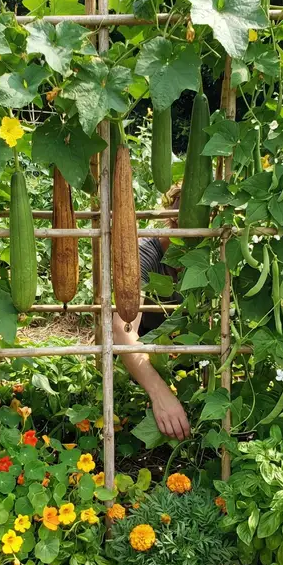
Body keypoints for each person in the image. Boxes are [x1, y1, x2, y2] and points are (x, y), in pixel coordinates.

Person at [112, 186, 191, 440]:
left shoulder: (208, 255)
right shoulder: (144, 254)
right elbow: (122, 330)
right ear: (174, 219)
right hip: (143, 353)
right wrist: (160, 394)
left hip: (183, 355)